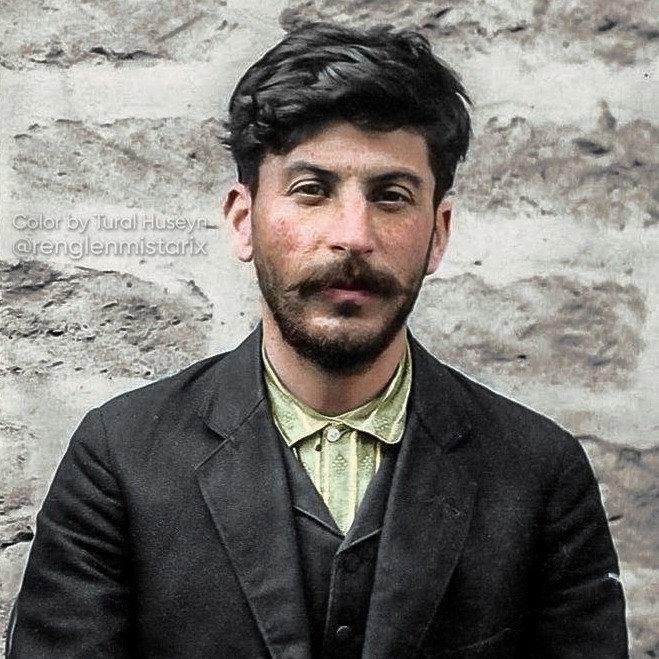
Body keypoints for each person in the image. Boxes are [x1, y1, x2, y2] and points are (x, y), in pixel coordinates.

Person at [6, 22, 628, 659]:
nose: (353, 235)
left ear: (438, 233)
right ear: (243, 221)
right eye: (312, 191)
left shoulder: (540, 474)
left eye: (391, 196)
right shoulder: (119, 459)